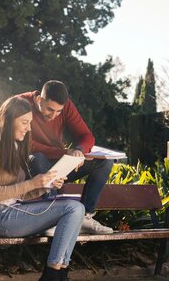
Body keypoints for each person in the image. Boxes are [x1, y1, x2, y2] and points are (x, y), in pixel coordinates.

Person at [0, 96, 86, 281]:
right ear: (8, 120)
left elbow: (20, 194)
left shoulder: (15, 146)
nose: (28, 128)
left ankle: (60, 277)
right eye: (24, 123)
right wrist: (32, 182)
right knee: (72, 208)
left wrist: (45, 185)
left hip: (13, 210)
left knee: (77, 208)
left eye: (30, 123)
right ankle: (50, 279)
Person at [15, 80, 114, 235]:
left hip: (56, 166)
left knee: (104, 162)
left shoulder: (67, 106)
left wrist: (79, 151)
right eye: (50, 109)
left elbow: (86, 136)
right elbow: (25, 144)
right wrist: (63, 153)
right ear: (40, 100)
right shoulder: (20, 103)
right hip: (30, 166)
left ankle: (85, 217)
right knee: (39, 158)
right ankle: (52, 219)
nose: (54, 115)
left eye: (59, 111)